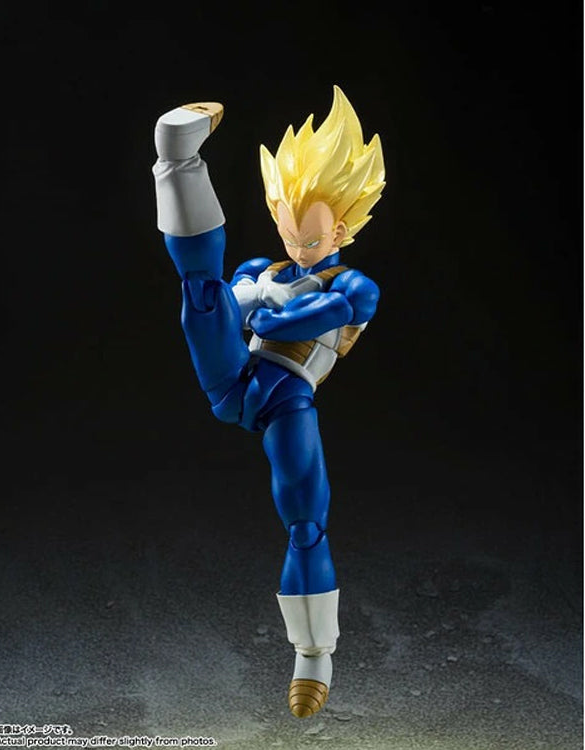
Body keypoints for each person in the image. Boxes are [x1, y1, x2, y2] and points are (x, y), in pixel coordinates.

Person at [152, 85, 385, 718]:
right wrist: (246, 296)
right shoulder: (265, 265)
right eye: (286, 225)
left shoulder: (354, 285)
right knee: (199, 293)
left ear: (341, 229)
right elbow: (226, 306)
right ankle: (177, 159)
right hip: (234, 379)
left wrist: (261, 302)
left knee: (305, 521)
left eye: (310, 235)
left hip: (287, 398)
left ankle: (313, 654)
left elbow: (295, 322)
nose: (295, 243)